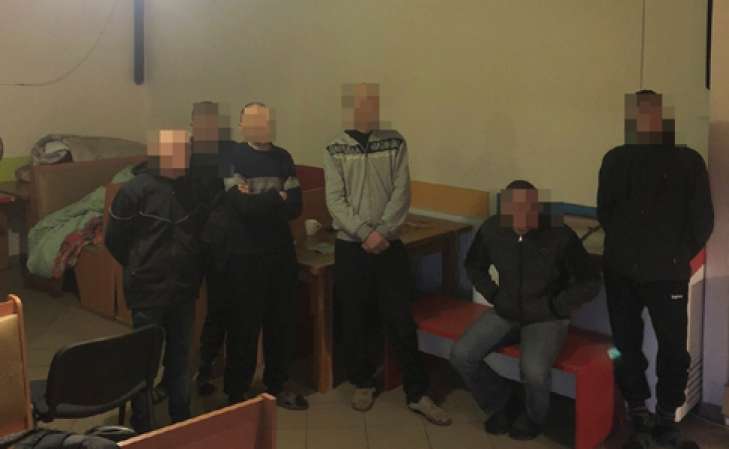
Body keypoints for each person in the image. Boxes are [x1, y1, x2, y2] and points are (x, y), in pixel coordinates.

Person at [324, 82, 451, 426]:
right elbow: (335, 200)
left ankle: (417, 392)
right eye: (359, 103)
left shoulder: (395, 141)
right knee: (354, 318)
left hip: (389, 245)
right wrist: (365, 233)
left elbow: (401, 191)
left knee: (400, 318)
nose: (366, 108)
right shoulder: (335, 147)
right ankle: (363, 383)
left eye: (372, 102)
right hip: (351, 246)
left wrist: (382, 232)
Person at [597, 90, 714, 449]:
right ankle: (637, 411)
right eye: (638, 114)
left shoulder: (688, 161)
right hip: (620, 270)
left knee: (674, 350)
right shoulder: (615, 159)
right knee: (623, 346)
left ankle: (666, 416)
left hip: (668, 274)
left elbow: (702, 220)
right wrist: (624, 249)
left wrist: (676, 256)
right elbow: (605, 212)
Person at [450, 180, 600, 440]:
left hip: (546, 316)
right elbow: (474, 265)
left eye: (529, 208)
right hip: (506, 310)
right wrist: (494, 294)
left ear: (538, 207)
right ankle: (502, 403)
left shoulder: (559, 233)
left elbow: (590, 281)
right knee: (461, 355)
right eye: (515, 208)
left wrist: (557, 305)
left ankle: (534, 417)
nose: (522, 215)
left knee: (534, 372)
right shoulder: (492, 229)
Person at [105, 129, 217, 432]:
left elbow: (198, 233)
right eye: (181, 152)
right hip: (147, 291)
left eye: (188, 151)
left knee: (180, 358)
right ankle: (143, 425)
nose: (187, 158)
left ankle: (180, 419)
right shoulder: (134, 191)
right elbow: (115, 240)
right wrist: (141, 266)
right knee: (144, 361)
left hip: (183, 289)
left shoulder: (192, 189)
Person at [209, 101, 307, 410]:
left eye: (264, 121)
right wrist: (277, 196)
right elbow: (242, 207)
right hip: (244, 256)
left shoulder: (283, 157)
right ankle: (236, 393)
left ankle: (277, 384)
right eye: (252, 121)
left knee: (281, 324)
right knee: (243, 327)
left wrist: (261, 199)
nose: (259, 127)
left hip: (280, 254)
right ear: (242, 126)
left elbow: (296, 206)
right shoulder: (229, 157)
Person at [188, 101, 236, 397]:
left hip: (221, 244)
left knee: (219, 308)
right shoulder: (181, 153)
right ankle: (176, 372)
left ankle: (206, 367)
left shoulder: (229, 152)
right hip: (189, 244)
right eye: (201, 122)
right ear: (192, 124)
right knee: (181, 311)